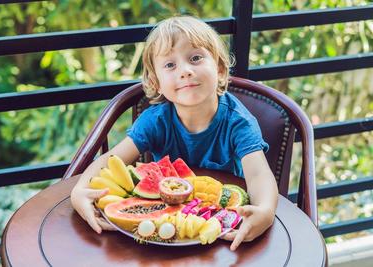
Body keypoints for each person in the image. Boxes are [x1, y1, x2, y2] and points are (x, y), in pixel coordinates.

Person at [71, 15, 278, 251]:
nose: (185, 71)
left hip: (224, 225)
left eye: (195, 58)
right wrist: (80, 191)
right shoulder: (155, 120)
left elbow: (259, 175)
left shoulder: (239, 123)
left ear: (220, 69)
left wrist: (265, 211)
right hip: (164, 225)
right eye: (170, 65)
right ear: (156, 82)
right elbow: (111, 162)